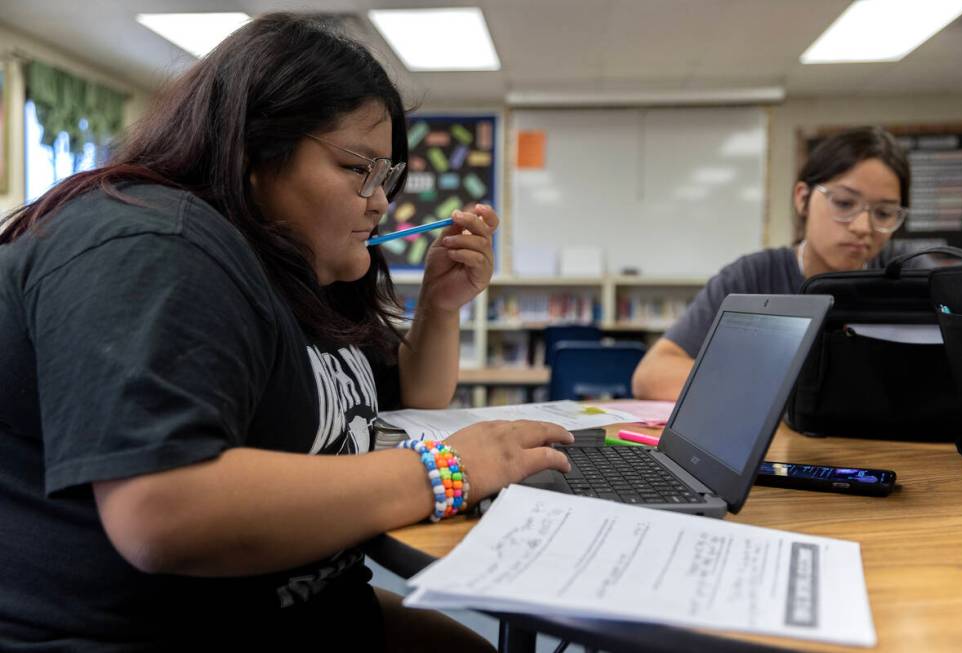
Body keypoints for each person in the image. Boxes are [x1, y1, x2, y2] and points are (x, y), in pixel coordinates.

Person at [0, 13, 573, 652]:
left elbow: (412, 394)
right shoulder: (157, 246)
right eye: (359, 169)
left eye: (387, 177)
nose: (382, 201)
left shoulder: (292, 267)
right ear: (254, 153)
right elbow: (163, 509)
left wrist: (440, 306)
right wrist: (447, 469)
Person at [632, 126, 917, 401]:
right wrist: (779, 385)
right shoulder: (752, 278)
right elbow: (652, 374)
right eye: (844, 203)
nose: (862, 227)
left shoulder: (906, 283)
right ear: (803, 199)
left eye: (884, 213)